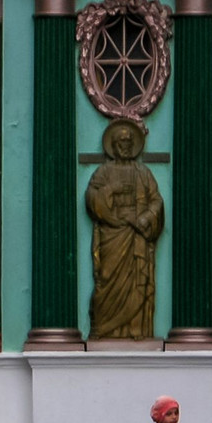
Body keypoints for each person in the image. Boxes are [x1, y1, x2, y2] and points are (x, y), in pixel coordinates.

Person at [86, 119, 164, 339]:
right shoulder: (103, 172)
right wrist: (112, 189)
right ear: (113, 145)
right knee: (107, 278)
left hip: (136, 235)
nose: (126, 146)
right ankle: (103, 328)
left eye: (129, 142)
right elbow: (92, 198)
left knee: (137, 282)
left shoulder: (142, 172)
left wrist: (146, 218)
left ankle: (135, 328)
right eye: (121, 142)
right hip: (112, 234)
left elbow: (156, 200)